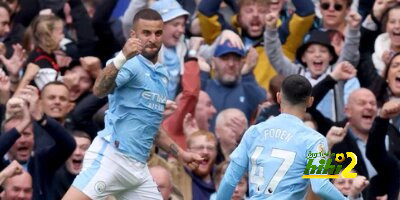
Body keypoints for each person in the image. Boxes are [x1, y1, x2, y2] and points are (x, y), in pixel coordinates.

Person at [62, 9, 202, 200]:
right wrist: (122, 57)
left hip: (138, 169)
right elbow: (99, 90)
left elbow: (152, 129)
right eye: (146, 33)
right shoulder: (128, 63)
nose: (152, 39)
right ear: (133, 35)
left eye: (158, 33)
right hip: (112, 156)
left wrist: (182, 154)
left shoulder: (162, 73)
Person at [216, 74, 349, 199]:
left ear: (279, 97)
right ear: (310, 101)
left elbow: (229, 180)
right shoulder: (314, 140)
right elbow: (320, 186)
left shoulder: (254, 131)